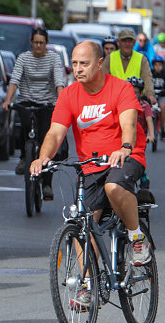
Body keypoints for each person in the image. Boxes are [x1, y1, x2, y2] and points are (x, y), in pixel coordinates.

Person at [30, 41, 150, 308]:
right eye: (74, 63)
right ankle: (87, 287)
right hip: (91, 165)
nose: (77, 69)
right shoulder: (69, 95)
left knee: (114, 188)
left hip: (125, 157)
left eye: (83, 63)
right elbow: (55, 132)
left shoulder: (121, 88)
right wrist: (43, 156)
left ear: (99, 63)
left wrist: (125, 147)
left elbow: (129, 123)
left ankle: (136, 237)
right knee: (83, 223)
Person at [2, 27, 65, 200]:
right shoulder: (23, 58)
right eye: (36, 42)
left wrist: (61, 102)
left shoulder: (53, 58)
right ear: (31, 42)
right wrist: (8, 100)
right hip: (26, 100)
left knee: (47, 139)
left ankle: (47, 184)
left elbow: (59, 81)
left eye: (42, 43)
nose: (38, 46)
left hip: (47, 102)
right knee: (24, 127)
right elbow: (14, 80)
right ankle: (24, 156)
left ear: (47, 43)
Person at [102, 29, 156, 105]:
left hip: (135, 100)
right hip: (114, 100)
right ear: (118, 42)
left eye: (130, 41)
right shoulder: (110, 58)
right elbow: (103, 78)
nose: (127, 44)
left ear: (134, 43)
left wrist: (150, 94)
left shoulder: (141, 58)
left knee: (149, 115)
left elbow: (147, 78)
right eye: (124, 41)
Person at [126, 76, 154, 189]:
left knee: (138, 160)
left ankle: (143, 177)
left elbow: (149, 119)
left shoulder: (144, 105)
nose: (133, 94)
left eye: (136, 92)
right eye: (131, 91)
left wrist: (151, 135)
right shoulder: (124, 105)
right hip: (126, 138)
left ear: (141, 93)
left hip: (141, 140)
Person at [151, 55, 165, 139]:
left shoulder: (164, 74)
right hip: (152, 95)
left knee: (163, 106)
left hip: (162, 95)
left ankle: (163, 127)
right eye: (156, 65)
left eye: (160, 65)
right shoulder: (151, 74)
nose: (158, 67)